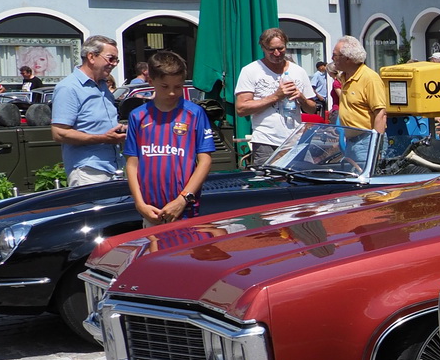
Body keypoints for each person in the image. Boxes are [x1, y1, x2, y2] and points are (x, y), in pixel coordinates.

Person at [123, 50, 215, 224]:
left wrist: (183, 199)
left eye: (178, 87)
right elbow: (132, 163)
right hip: (151, 211)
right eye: (165, 86)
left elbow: (205, 161)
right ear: (151, 81)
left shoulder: (194, 114)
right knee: (154, 250)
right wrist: (139, 203)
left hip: (185, 209)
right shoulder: (138, 116)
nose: (172, 93)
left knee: (184, 251)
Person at [235, 27, 320, 167]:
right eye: (271, 49)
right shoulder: (251, 70)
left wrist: (301, 98)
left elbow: (312, 109)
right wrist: (276, 96)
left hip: (295, 140)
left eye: (281, 48)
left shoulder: (298, 71)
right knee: (268, 183)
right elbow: (241, 108)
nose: (276, 53)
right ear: (263, 48)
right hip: (266, 141)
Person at [51, 37, 125, 186]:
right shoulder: (69, 88)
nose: (114, 64)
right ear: (91, 56)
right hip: (88, 171)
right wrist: (103, 138)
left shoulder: (103, 86)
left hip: (114, 166)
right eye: (111, 59)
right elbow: (58, 133)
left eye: (116, 60)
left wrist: (121, 129)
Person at [332, 36, 388, 132]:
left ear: (347, 58)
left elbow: (381, 114)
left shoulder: (370, 78)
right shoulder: (344, 76)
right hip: (350, 140)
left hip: (366, 140)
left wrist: (374, 144)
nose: (332, 58)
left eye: (335, 55)